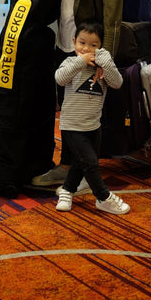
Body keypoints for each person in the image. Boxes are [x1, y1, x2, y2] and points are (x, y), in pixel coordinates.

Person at [31, 0, 123, 189]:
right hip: (69, 46)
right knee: (70, 113)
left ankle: (77, 171)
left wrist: (104, 58)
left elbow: (112, 12)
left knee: (82, 119)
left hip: (89, 51)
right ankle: (70, 167)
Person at [54, 19, 129, 214]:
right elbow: (60, 79)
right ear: (74, 41)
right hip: (72, 125)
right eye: (82, 43)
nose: (87, 48)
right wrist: (80, 61)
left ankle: (68, 190)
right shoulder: (71, 62)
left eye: (93, 45)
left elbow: (118, 83)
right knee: (91, 163)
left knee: (82, 162)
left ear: (100, 47)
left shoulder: (102, 66)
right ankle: (103, 197)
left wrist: (104, 61)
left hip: (93, 126)